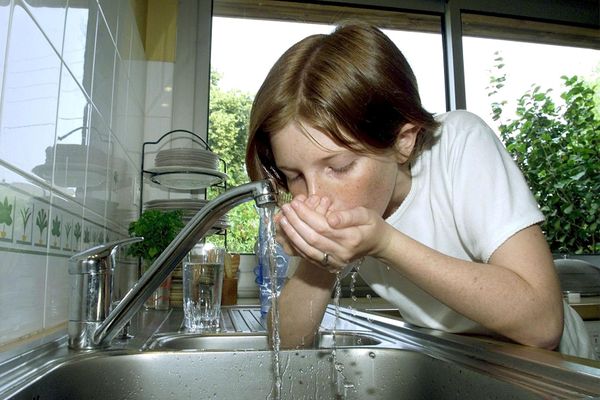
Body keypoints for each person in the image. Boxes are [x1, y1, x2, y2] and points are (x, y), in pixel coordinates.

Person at [245, 22, 594, 359]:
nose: (314, 197)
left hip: (561, 371)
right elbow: (286, 345)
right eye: (294, 176)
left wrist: (386, 243)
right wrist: (319, 257)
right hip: (461, 361)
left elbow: (543, 325)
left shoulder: (459, 144)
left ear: (403, 141)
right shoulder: (340, 205)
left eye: (339, 167)